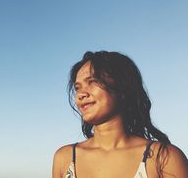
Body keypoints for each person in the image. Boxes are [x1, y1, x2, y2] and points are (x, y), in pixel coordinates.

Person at [52, 51, 188, 178]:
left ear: (122, 88)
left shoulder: (165, 159)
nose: (81, 94)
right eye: (77, 87)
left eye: (92, 82)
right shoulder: (65, 158)